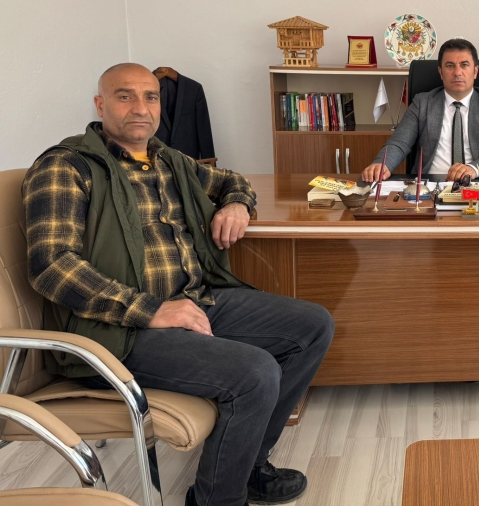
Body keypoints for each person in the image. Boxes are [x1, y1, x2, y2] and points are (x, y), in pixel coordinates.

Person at [22, 63, 334, 506]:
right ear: (100, 104)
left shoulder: (168, 159)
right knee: (255, 373)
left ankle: (247, 465)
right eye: (125, 96)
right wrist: (151, 310)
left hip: (192, 301)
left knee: (312, 325)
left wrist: (237, 204)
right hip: (116, 329)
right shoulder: (65, 166)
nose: (140, 108)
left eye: (150, 97)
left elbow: (232, 180)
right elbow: (52, 265)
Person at [362, 38, 479, 183]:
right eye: (450, 66)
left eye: (464, 65)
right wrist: (382, 164)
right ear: (440, 72)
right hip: (430, 186)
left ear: (475, 71)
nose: (457, 72)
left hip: (476, 183)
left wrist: (473, 169)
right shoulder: (422, 103)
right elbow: (399, 143)